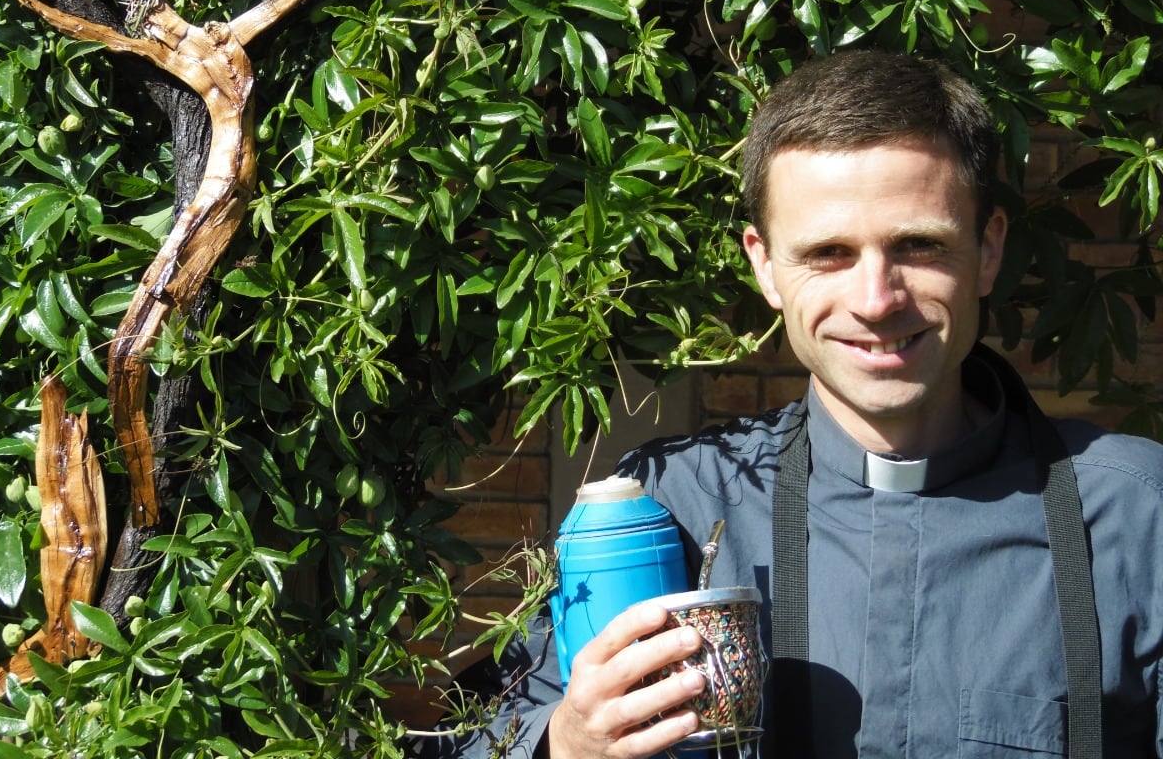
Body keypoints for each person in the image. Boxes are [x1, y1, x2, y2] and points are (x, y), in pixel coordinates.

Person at [417, 50, 1163, 758]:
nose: (875, 300)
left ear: (988, 249)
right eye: (828, 254)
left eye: (918, 247)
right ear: (765, 266)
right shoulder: (675, 506)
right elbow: (478, 728)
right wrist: (568, 743)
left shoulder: (1136, 517)